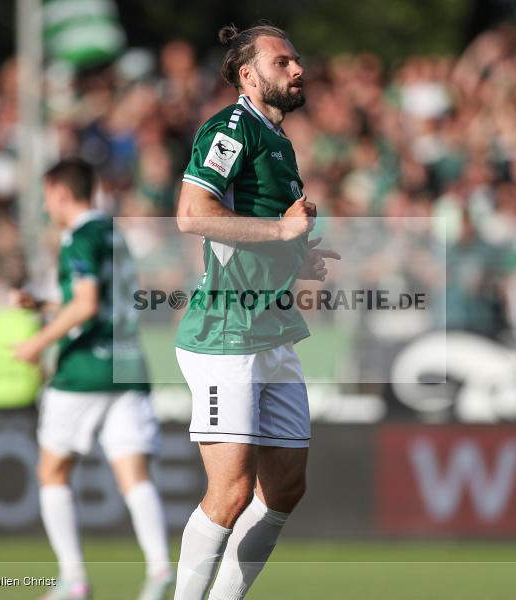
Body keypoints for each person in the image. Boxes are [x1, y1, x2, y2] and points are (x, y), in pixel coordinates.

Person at [172, 23, 339, 600]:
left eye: (298, 60)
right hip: (225, 331)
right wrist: (283, 228)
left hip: (271, 327)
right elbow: (193, 214)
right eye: (284, 61)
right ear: (250, 74)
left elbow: (258, 236)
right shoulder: (231, 128)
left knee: (286, 487)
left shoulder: (278, 141)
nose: (298, 69)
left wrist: (298, 255)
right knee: (231, 492)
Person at [13, 158, 173, 600]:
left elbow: (84, 307)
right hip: (128, 363)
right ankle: (160, 571)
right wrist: (45, 304)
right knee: (134, 474)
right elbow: (100, 302)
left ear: (62, 193)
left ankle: (73, 579)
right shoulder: (113, 234)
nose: (46, 206)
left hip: (84, 368)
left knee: (52, 470)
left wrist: (36, 343)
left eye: (47, 196)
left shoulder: (78, 237)